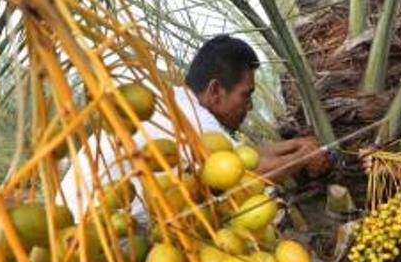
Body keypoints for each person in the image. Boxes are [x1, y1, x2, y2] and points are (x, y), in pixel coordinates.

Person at [59, 35, 324, 222]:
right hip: (88, 238)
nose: (250, 106)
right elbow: (245, 171)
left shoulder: (175, 103)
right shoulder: (194, 122)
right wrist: (303, 157)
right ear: (215, 90)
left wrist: (297, 146)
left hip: (81, 225)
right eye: (246, 95)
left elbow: (245, 155)